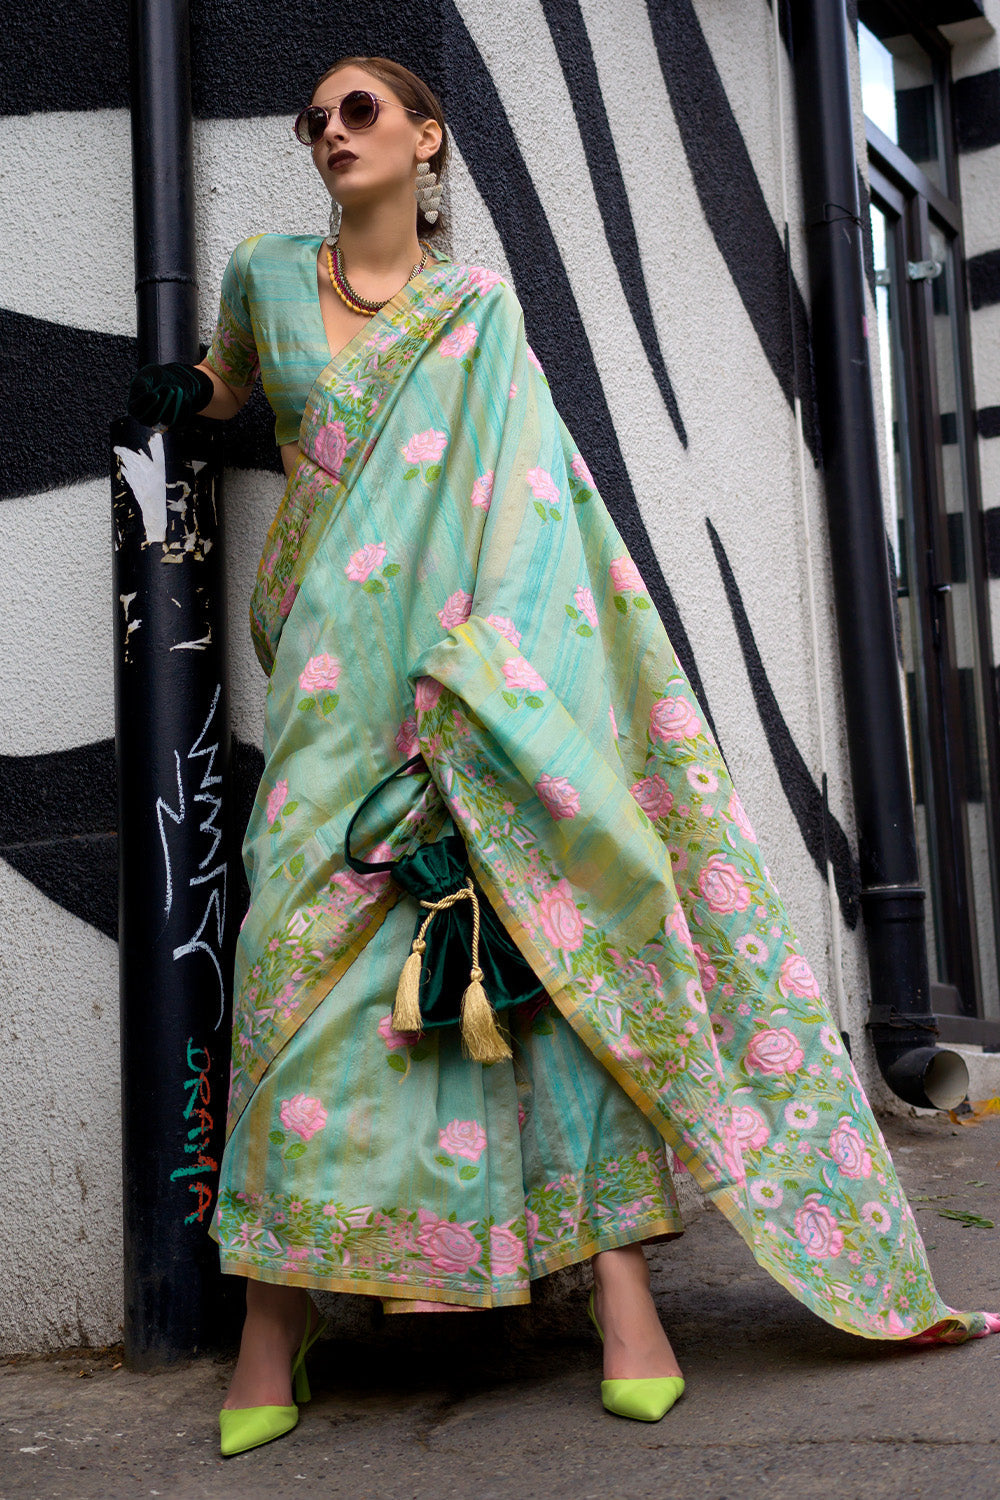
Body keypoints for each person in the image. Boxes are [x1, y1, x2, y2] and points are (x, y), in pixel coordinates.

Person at [128, 55, 998, 1459]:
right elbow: (231, 387)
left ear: (428, 140)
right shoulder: (267, 272)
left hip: (462, 682)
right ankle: (273, 1324)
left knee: (546, 956)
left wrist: (487, 695)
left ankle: (625, 1304)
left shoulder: (477, 315)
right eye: (314, 120)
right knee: (292, 981)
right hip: (324, 701)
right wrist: (184, 391)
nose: (331, 133)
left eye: (361, 111)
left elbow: (529, 513)